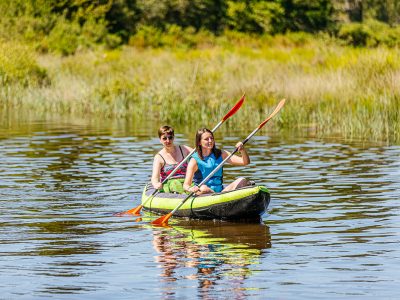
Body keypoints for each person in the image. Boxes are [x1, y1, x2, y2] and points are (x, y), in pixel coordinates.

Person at [183, 128, 251, 195]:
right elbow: (186, 185)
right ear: (199, 142)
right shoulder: (194, 160)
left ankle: (221, 196)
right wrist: (191, 189)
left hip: (221, 192)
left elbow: (245, 162)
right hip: (203, 193)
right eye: (206, 139)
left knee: (242, 180)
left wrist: (242, 150)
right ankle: (220, 196)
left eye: (211, 138)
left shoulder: (221, 154)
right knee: (203, 188)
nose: (210, 141)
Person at [151, 125, 193, 194]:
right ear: (160, 140)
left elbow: (198, 155)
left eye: (170, 137)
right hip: (170, 185)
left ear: (173, 137)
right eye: (164, 138)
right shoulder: (158, 157)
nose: (168, 141)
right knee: (175, 183)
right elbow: (155, 177)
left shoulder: (183, 149)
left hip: (186, 182)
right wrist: (156, 184)